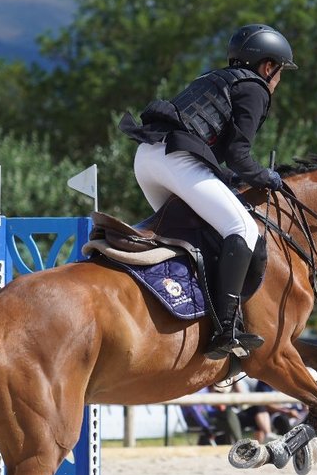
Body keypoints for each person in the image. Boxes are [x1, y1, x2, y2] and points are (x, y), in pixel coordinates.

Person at [119, 23, 297, 360]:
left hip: (147, 158)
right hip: (177, 160)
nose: (278, 81)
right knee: (242, 229)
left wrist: (232, 177)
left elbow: (215, 148)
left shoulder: (211, 79)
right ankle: (225, 330)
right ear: (268, 66)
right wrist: (267, 177)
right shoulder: (256, 88)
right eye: (280, 72)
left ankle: (184, 306)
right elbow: (239, 155)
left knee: (191, 234)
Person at [241, 379, 307, 443]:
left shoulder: (293, 381)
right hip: (278, 414)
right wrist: (287, 412)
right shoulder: (265, 382)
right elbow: (266, 404)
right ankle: (287, 444)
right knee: (282, 419)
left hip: (300, 413)